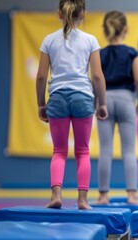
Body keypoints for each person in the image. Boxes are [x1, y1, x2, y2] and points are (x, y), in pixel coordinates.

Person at [35, 0, 107, 210]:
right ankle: (82, 200)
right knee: (82, 151)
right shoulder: (90, 40)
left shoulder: (49, 40)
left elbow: (41, 77)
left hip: (57, 97)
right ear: (83, 14)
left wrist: (41, 104)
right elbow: (97, 76)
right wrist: (101, 103)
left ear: (59, 13)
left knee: (59, 150)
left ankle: (56, 195)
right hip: (82, 97)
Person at [95, 10, 138, 205]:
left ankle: (102, 195)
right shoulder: (132, 53)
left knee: (105, 150)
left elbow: (96, 80)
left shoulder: (99, 54)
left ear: (106, 30)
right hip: (126, 99)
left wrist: (97, 102)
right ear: (126, 29)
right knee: (129, 150)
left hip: (105, 99)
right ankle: (132, 195)